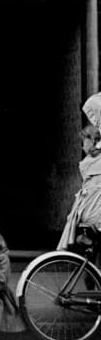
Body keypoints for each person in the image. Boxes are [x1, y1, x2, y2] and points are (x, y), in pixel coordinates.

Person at [57, 92, 101, 251]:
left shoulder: (91, 162)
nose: (82, 146)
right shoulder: (93, 161)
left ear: (93, 141)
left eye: (84, 141)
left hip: (89, 213)